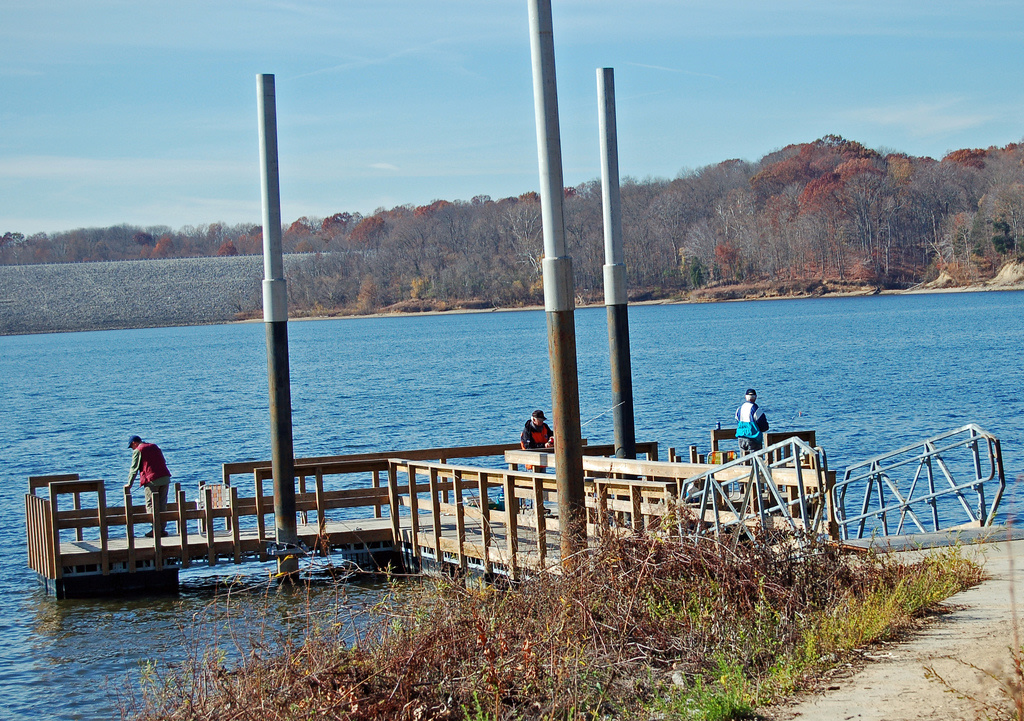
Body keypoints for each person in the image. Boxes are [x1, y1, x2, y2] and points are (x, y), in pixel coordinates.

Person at [126, 435, 172, 537]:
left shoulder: (139, 450)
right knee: (162, 504)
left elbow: (134, 469)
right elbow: (163, 461)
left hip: (152, 480)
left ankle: (155, 529)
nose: (132, 449)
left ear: (134, 443)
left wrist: (129, 484)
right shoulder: (154, 446)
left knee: (151, 505)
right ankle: (162, 529)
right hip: (165, 478)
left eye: (131, 446)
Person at [734, 388, 769, 454]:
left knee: (744, 459)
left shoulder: (739, 409)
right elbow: (763, 426)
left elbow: (737, 421)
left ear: (745, 397)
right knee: (755, 459)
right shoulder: (756, 409)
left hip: (741, 437)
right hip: (753, 438)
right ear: (755, 397)